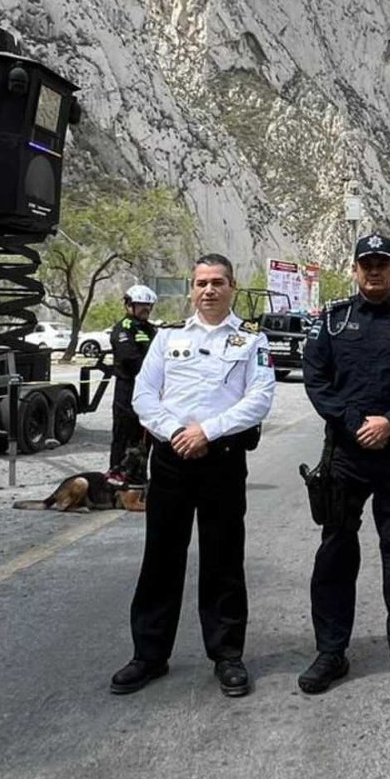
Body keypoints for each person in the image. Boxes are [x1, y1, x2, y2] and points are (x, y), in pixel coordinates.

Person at [110, 254, 276, 697]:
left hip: (223, 458)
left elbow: (259, 398)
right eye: (202, 283)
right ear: (191, 289)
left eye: (218, 282)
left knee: (224, 558)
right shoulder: (168, 338)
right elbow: (144, 395)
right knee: (161, 557)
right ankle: (149, 655)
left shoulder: (252, 340)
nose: (209, 290)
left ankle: (227, 655)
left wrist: (208, 431)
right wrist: (176, 432)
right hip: (171, 458)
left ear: (232, 287)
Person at [298, 232, 390, 698]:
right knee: (335, 554)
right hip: (345, 455)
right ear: (355, 269)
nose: (375, 270)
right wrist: (354, 422)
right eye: (367, 264)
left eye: (383, 263)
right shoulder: (333, 321)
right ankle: (330, 652)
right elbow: (316, 378)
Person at [109, 284, 159, 479]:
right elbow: (130, 359)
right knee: (124, 437)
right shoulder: (123, 329)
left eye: (148, 305)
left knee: (144, 440)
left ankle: (139, 480)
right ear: (129, 305)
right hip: (127, 390)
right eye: (141, 305)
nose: (146, 309)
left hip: (149, 391)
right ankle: (116, 479)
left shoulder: (150, 329)